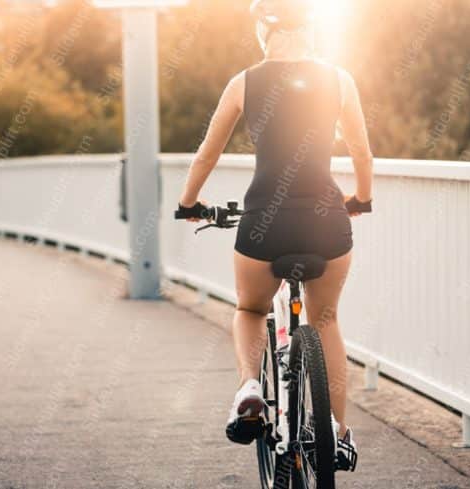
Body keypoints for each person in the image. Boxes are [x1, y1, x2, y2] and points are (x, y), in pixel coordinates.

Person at [176, 0, 373, 470]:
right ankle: (336, 432)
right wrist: (360, 199)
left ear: (262, 30)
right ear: (311, 28)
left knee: (249, 308)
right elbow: (363, 153)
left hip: (265, 221)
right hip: (328, 220)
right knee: (324, 320)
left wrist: (188, 204)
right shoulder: (339, 79)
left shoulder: (244, 82)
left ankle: (248, 390)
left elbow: (207, 154)